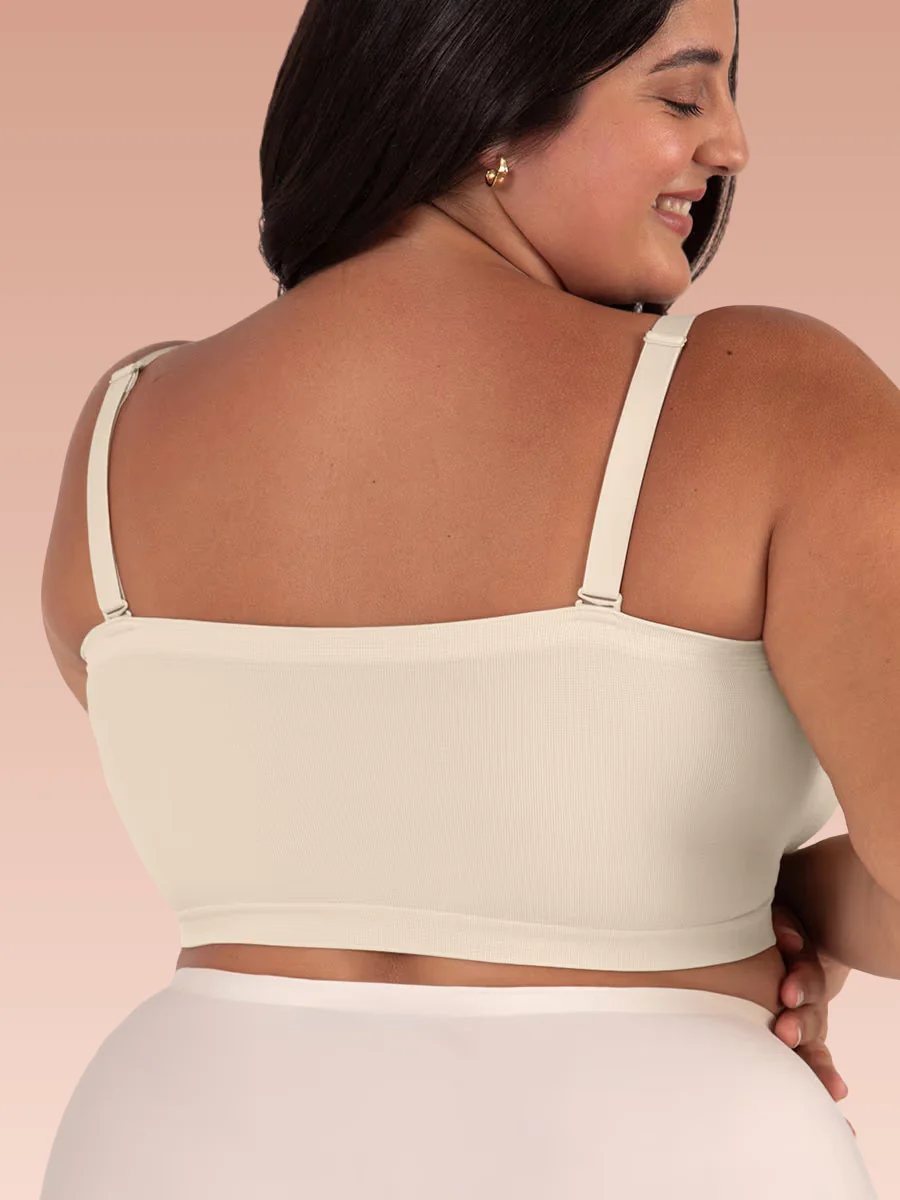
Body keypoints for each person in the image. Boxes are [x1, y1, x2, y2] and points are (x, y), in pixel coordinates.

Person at [38, 0, 898, 1194]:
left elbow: (350, 803)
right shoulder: (768, 398)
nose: (732, 146)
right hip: (646, 1151)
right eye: (682, 94)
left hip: (169, 1144)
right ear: (490, 101)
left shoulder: (124, 429)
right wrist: (793, 904)